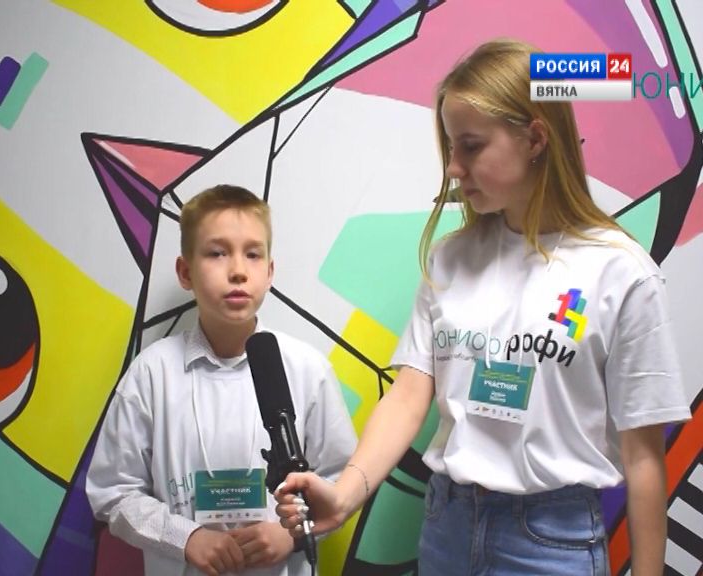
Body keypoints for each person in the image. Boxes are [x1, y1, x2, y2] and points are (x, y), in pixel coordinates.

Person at [274, 39, 692, 575]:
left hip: (551, 544)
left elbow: (643, 455)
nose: (453, 167)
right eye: (451, 147)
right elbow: (409, 395)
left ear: (535, 138)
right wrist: (346, 494)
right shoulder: (451, 258)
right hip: (446, 528)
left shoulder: (621, 273)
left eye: (470, 146)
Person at [86, 184, 357, 576]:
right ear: (185, 272)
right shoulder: (151, 374)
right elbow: (113, 491)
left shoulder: (306, 370)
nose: (238, 270)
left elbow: (342, 482)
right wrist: (186, 538)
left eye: (253, 254)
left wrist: (293, 534)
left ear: (270, 271)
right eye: (217, 253)